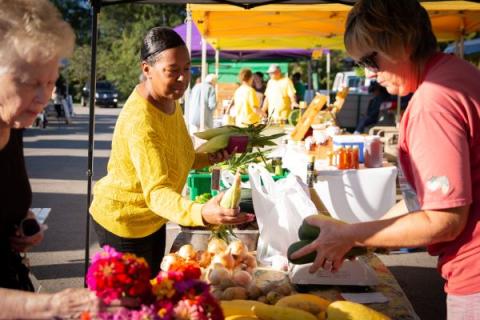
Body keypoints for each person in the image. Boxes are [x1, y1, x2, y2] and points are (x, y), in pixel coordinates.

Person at [291, 0, 480, 318]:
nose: (369, 74)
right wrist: (358, 234)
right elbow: (417, 199)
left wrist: (354, 235)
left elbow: (445, 220)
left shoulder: (432, 102)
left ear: (403, 43)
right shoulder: (460, 74)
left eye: (371, 60)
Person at [90, 27, 252, 275]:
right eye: (173, 71)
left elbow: (176, 155)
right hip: (125, 223)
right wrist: (201, 212)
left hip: (154, 217)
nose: (182, 79)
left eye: (187, 69)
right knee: (132, 304)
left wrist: (208, 157)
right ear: (147, 69)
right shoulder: (140, 121)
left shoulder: (170, 99)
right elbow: (156, 192)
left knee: (155, 285)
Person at [0, 0, 104, 317]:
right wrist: (53, 304)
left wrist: (22, 221)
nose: (44, 98)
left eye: (50, 82)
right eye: (29, 82)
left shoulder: (12, 125)